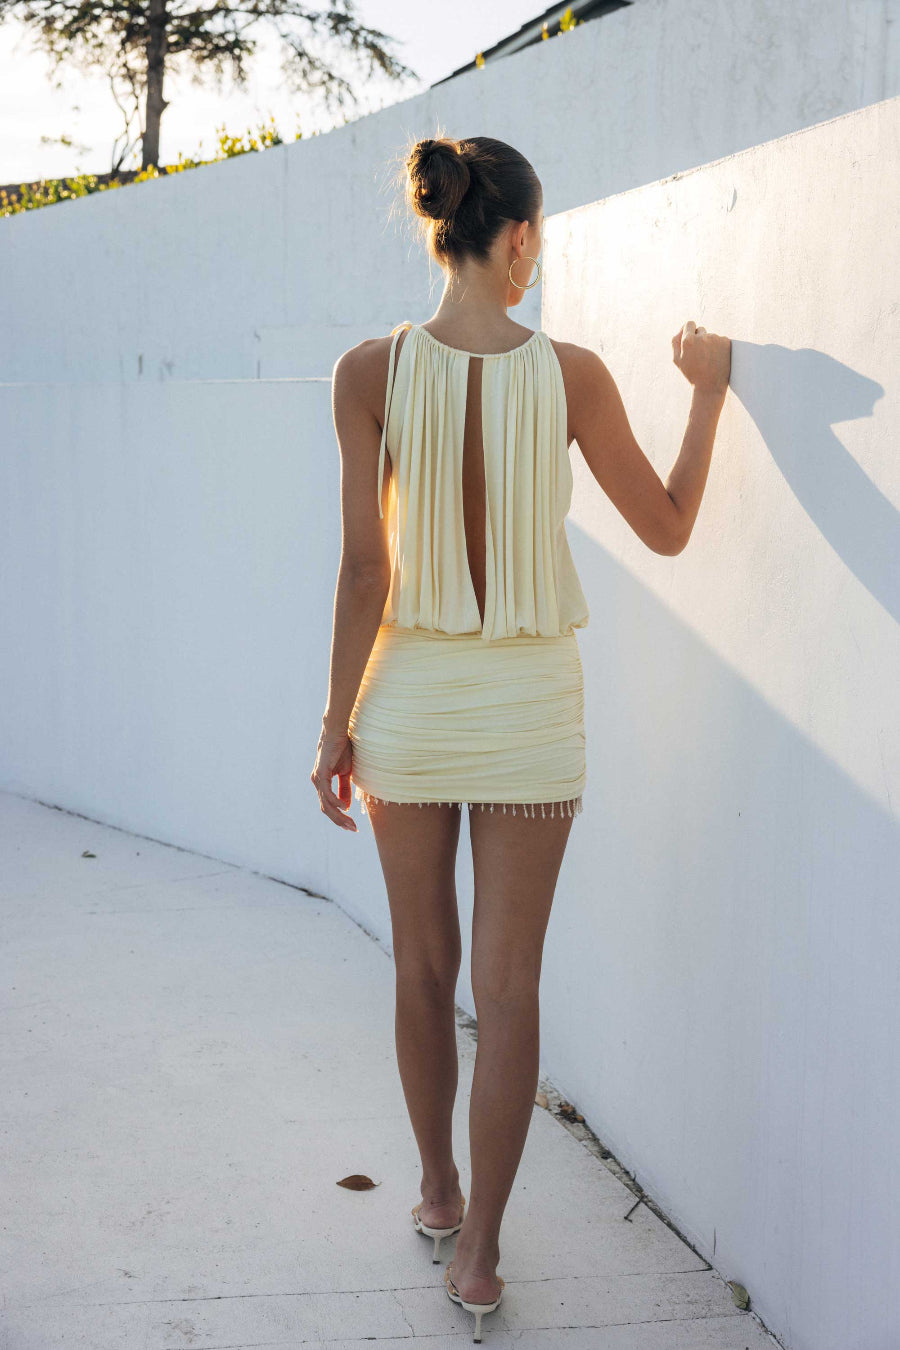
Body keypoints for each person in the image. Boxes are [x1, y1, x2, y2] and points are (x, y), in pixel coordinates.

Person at [311, 132, 731, 1341]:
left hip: (409, 704)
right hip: (533, 712)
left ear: (443, 225)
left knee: (421, 970)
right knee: (508, 990)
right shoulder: (579, 375)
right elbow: (666, 528)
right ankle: (482, 1256)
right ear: (523, 238)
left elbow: (360, 570)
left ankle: (436, 1190)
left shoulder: (367, 371)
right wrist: (705, 392)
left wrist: (335, 724)